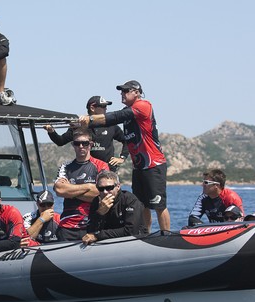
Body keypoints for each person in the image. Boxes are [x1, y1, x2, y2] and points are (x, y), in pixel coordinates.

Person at [79, 80, 171, 232]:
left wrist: (90, 118)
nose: (122, 93)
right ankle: (145, 235)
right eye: (121, 91)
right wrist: (81, 125)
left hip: (153, 164)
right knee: (142, 205)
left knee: (158, 205)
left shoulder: (143, 106)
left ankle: (167, 236)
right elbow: (109, 123)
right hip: (139, 166)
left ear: (137, 92)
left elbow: (115, 117)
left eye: (126, 91)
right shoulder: (127, 111)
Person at [44, 96, 128, 171]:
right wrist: (51, 131)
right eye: (103, 106)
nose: (106, 109)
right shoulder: (78, 125)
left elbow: (127, 140)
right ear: (92, 108)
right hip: (86, 171)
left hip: (107, 171)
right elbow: (60, 141)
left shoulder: (111, 125)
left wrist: (122, 157)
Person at [54, 129, 109, 241]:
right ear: (73, 145)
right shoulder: (65, 167)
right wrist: (89, 187)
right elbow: (60, 190)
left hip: (92, 224)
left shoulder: (101, 166)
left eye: (85, 143)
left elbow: (101, 195)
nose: (81, 146)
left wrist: (70, 192)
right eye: (77, 143)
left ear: (91, 144)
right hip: (67, 227)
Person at [82, 171, 146, 245]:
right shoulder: (96, 202)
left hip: (134, 242)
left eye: (109, 188)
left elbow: (131, 231)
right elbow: (90, 231)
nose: (105, 192)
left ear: (118, 187)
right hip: (107, 242)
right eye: (101, 188)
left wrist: (98, 235)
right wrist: (100, 213)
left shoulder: (130, 200)